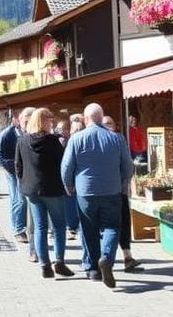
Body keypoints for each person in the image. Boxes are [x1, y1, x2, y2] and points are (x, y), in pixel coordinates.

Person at [61, 103, 133, 289]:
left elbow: (67, 166)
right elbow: (128, 166)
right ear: (101, 118)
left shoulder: (76, 139)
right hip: (112, 190)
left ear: (85, 119)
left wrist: (68, 184)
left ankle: (93, 269)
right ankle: (107, 258)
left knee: (88, 229)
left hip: (85, 192)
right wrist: (124, 183)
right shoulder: (117, 138)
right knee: (112, 227)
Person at [15, 108, 74, 279]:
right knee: (59, 226)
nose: (52, 122)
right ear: (43, 121)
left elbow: (18, 166)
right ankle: (60, 262)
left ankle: (45, 265)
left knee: (40, 227)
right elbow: (63, 165)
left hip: (32, 190)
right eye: (49, 119)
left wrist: (25, 183)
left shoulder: (22, 141)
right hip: (52, 189)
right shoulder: (53, 141)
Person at [0, 108, 33, 244]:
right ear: (17, 120)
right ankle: (18, 229)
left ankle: (20, 227)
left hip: (25, 171)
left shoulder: (27, 133)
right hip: (13, 171)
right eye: (26, 120)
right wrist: (14, 167)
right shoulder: (6, 134)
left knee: (19, 199)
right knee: (19, 199)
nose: (29, 123)